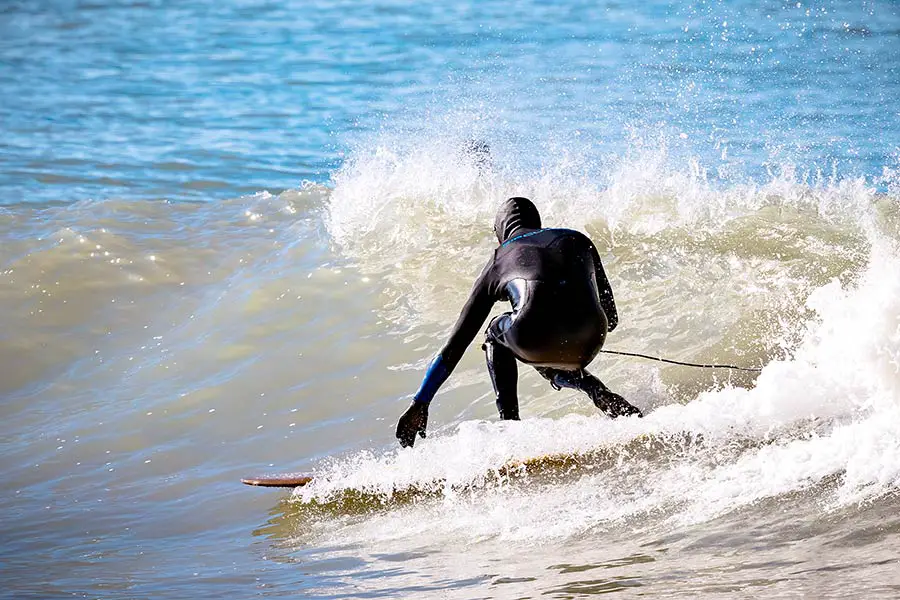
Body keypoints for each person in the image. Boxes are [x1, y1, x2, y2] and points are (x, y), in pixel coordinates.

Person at [396, 197, 642, 448]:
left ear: (499, 232)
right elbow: (611, 318)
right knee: (543, 338)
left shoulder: (498, 259)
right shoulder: (578, 238)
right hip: (590, 337)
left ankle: (511, 426)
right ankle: (597, 391)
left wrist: (421, 402)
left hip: (535, 337)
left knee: (496, 332)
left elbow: (456, 344)